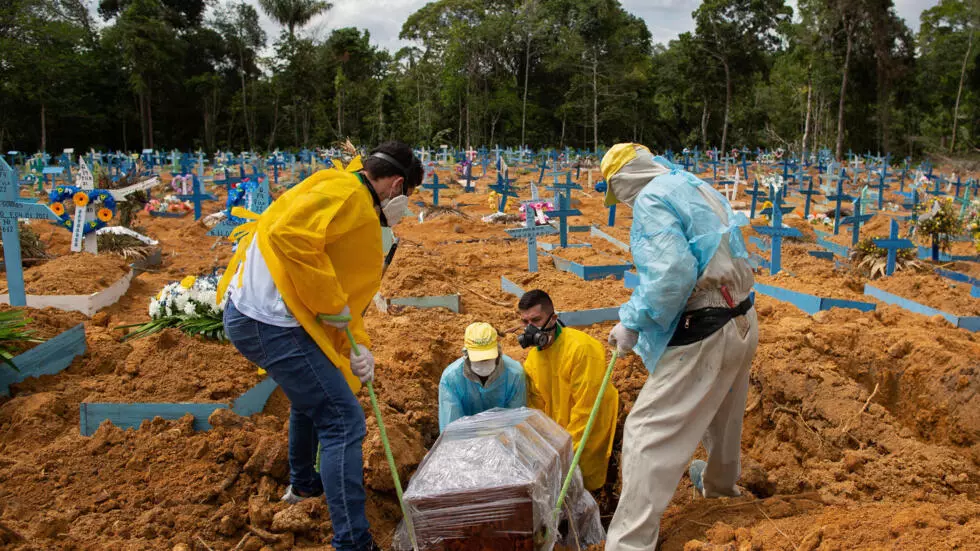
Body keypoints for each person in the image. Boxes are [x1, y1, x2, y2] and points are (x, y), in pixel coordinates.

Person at [219, 142, 423, 551]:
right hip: (270, 322)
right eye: (407, 196)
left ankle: (304, 486)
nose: (402, 206)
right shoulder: (348, 195)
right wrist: (331, 307)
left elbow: (343, 285)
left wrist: (357, 348)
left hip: (274, 317)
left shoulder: (342, 188)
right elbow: (288, 234)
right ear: (396, 185)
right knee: (344, 422)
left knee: (316, 395)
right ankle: (353, 541)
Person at [601, 143, 759, 551]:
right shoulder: (689, 183)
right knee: (723, 414)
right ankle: (721, 491)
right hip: (742, 314)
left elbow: (672, 274)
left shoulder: (652, 199)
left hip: (707, 324)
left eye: (618, 193)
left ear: (622, 181)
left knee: (644, 433)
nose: (623, 202)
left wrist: (632, 322)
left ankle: (628, 544)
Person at [518, 289, 619, 491]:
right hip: (560, 436)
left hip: (588, 435)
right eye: (525, 323)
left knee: (585, 487)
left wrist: (564, 454)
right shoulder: (532, 361)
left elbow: (587, 410)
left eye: (536, 320)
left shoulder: (582, 349)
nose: (531, 329)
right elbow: (536, 410)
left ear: (553, 318)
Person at [438, 322, 527, 431]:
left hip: (503, 439)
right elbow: (452, 427)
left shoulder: (515, 374)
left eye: (487, 359)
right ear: (466, 354)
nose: (483, 363)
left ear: (498, 351)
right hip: (466, 440)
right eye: (478, 359)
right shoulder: (451, 379)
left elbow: (515, 420)